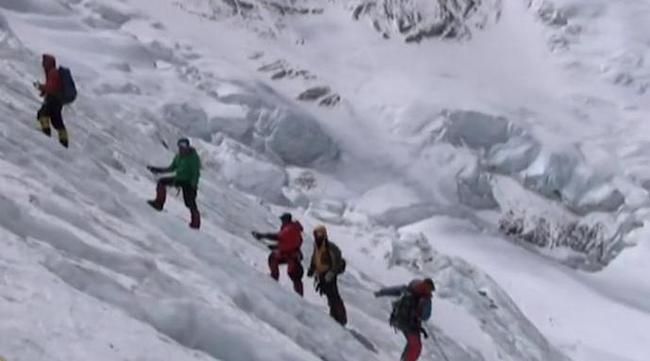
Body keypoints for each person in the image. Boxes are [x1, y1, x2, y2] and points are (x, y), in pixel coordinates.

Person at [147, 138, 201, 229]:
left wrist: (193, 186)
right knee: (161, 182)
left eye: (184, 146)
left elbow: (195, 173)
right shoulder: (178, 156)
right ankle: (159, 203)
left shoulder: (194, 158)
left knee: (190, 202)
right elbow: (172, 168)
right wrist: (158, 170)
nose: (182, 148)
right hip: (179, 179)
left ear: (188, 147)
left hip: (188, 182)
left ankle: (195, 223)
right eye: (180, 146)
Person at [375, 278, 435, 361]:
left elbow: (395, 290)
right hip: (411, 325)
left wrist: (381, 292)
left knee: (411, 344)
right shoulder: (425, 299)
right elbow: (425, 317)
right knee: (416, 346)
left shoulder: (410, 288)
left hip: (398, 319)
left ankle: (404, 359)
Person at [252, 213, 304, 296]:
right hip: (292, 254)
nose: (281, 222)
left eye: (282, 220)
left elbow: (278, 237)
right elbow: (290, 242)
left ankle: (274, 280)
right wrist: (278, 246)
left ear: (286, 220)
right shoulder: (295, 228)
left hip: (290, 255)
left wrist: (262, 236)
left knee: (275, 260)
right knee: (294, 275)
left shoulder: (289, 229)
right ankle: (299, 295)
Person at [307, 225, 347, 325]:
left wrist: (332, 273)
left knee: (333, 295)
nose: (315, 237)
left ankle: (340, 318)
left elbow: (336, 262)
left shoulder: (330, 247)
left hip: (329, 275)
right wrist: (312, 268)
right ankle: (335, 315)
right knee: (329, 295)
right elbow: (315, 258)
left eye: (317, 234)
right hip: (322, 274)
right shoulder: (317, 246)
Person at [35, 54, 68, 148]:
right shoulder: (53, 72)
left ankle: (46, 134)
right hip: (57, 100)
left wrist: (41, 87)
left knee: (43, 114)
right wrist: (43, 90)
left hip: (53, 100)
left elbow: (52, 87)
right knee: (57, 120)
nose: (42, 64)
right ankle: (64, 141)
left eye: (44, 62)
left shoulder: (52, 73)